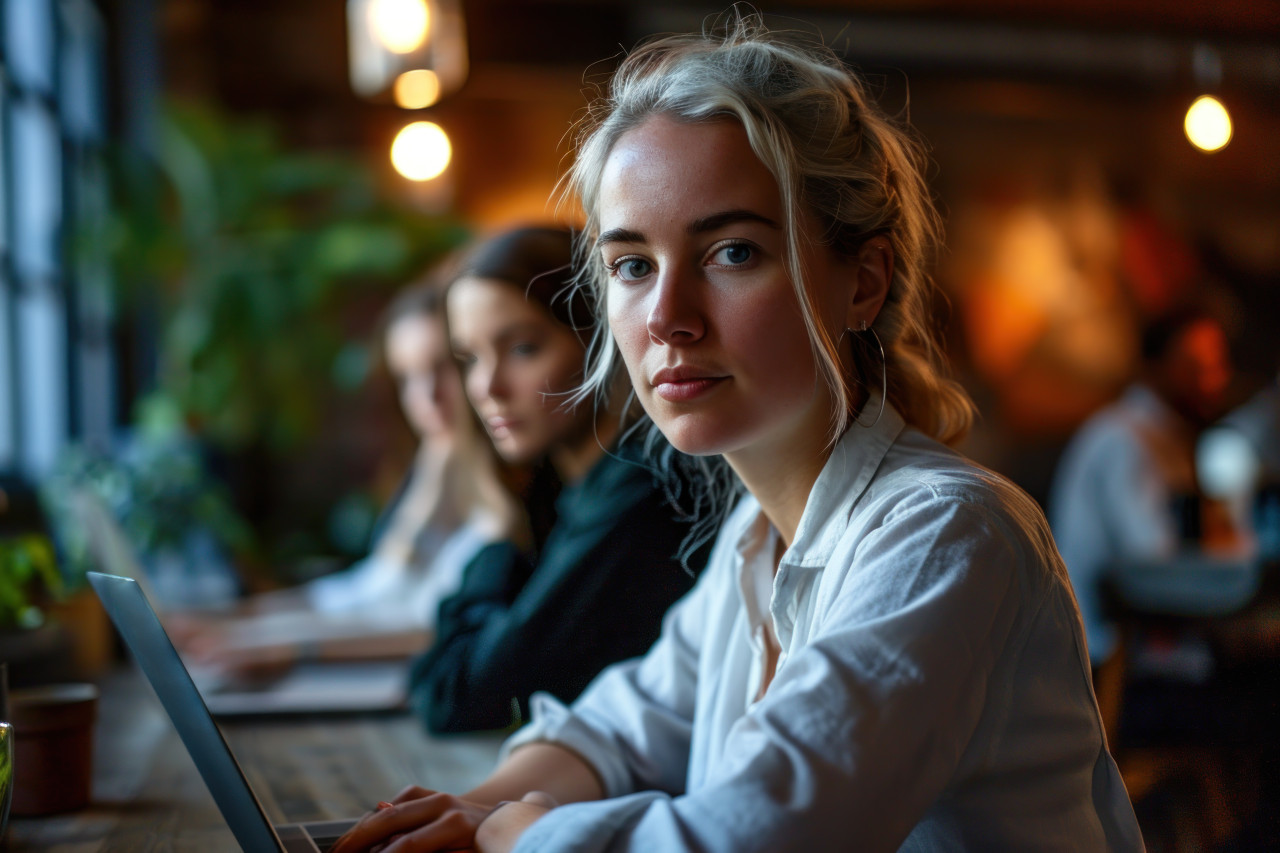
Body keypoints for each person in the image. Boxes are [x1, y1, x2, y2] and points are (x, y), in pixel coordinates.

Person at [334, 15, 1141, 853]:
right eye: (633, 265)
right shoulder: (756, 539)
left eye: (732, 253)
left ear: (862, 283)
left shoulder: (944, 532)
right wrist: (466, 811)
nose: (668, 319)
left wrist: (517, 833)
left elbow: (744, 838)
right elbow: (620, 726)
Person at [406, 225, 709, 733]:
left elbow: (460, 695)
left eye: (523, 348)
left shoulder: (645, 490)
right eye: (469, 359)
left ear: (599, 338)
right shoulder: (561, 489)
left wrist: (502, 531)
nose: (487, 387)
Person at [174, 282, 523, 673]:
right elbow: (376, 589)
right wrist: (242, 621)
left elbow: (427, 623)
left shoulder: (511, 489)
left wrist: (282, 643)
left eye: (442, 367)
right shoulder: (439, 463)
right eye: (407, 377)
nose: (427, 397)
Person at [1049, 305, 1242, 668]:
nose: (1215, 380)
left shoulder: (1166, 436)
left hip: (1139, 642)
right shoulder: (1125, 438)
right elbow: (1155, 561)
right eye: (1195, 367)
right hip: (1106, 658)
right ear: (1154, 368)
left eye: (1217, 365)